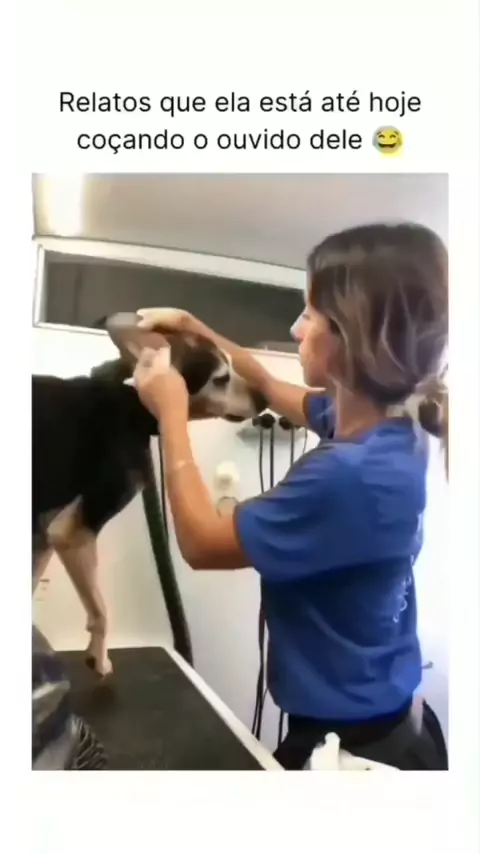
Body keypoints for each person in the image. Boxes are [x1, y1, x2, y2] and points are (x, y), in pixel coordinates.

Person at [133, 222, 449, 770]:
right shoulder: (386, 429)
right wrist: (196, 330)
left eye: (310, 314)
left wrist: (171, 412)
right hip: (387, 720)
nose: (296, 330)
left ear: (350, 336)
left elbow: (202, 543)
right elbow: (267, 385)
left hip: (358, 755)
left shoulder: (349, 475)